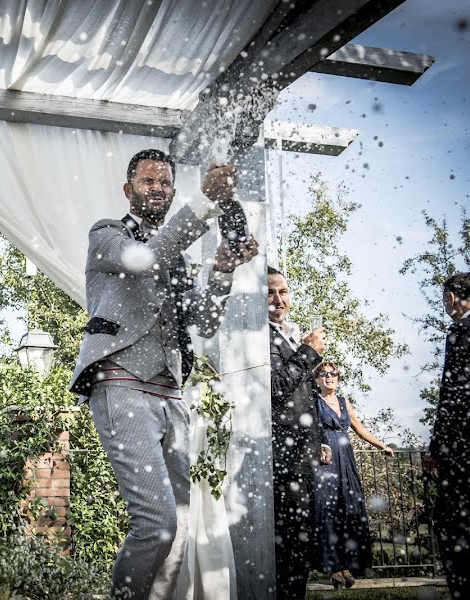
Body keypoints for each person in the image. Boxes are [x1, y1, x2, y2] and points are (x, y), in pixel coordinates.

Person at [69, 148, 258, 600]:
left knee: (179, 526)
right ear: (128, 189)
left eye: (166, 183)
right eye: (149, 181)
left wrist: (223, 270)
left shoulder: (178, 256)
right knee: (156, 523)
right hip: (120, 382)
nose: (159, 189)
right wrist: (202, 203)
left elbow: (206, 322)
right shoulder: (107, 234)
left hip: (171, 393)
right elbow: (146, 258)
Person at [266, 266, 331, 600]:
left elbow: (305, 394)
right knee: (288, 537)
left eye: (283, 291)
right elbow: (275, 388)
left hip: (304, 451)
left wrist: (318, 438)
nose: (279, 299)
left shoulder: (292, 332)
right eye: (270, 292)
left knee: (302, 534)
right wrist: (309, 353)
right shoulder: (261, 336)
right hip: (282, 453)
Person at [425, 272, 470, 600]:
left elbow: (453, 394)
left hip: (467, 453)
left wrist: (436, 448)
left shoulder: (461, 330)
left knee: (452, 529)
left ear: (451, 298)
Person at [312, 361, 394, 590]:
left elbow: (359, 427)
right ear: (317, 379)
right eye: (323, 374)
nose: (329, 377)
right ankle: (332, 567)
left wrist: (381, 445)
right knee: (328, 511)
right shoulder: (313, 400)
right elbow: (308, 429)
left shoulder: (343, 402)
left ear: (338, 378)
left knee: (348, 509)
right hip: (326, 460)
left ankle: (347, 563)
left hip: (346, 459)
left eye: (333, 373)